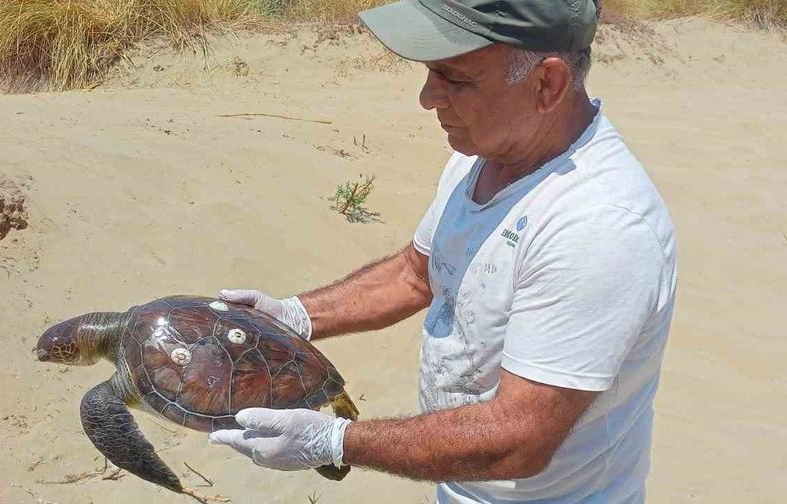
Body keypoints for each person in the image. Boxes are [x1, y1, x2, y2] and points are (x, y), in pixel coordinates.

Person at [208, 0, 678, 502]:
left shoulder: (599, 226)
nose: (428, 98)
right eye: (431, 73)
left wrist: (335, 440)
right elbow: (417, 274)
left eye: (456, 79)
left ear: (547, 85)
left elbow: (519, 440)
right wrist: (294, 317)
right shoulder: (487, 153)